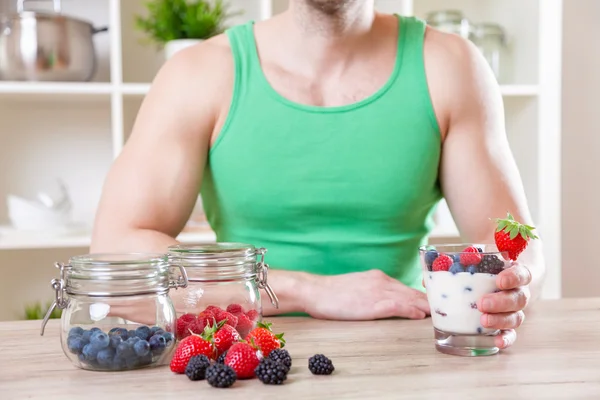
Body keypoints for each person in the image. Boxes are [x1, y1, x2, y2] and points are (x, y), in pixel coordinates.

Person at [90, 0, 545, 350]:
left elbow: (516, 247)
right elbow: (112, 254)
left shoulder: (451, 66)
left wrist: (508, 289)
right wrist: (310, 291)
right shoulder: (199, 74)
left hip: (405, 352)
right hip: (240, 353)